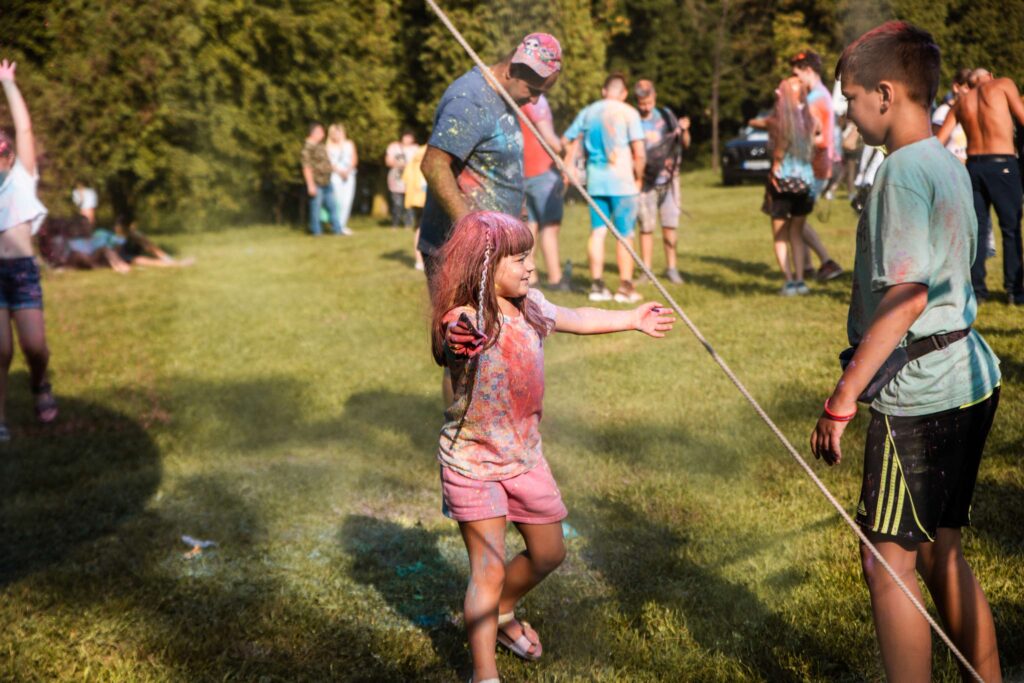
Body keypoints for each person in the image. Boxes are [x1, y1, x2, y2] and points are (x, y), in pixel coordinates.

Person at [814, 22, 1003, 683]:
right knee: (940, 549)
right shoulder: (949, 162)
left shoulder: (899, 171)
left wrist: (841, 403)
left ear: (886, 94)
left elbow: (907, 299)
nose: (846, 109)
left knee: (885, 558)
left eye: (851, 96)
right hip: (971, 377)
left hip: (920, 394)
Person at [431, 211, 674, 683]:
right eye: (517, 259)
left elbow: (578, 316)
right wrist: (458, 338)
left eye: (529, 256)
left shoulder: (532, 307)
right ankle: (484, 674)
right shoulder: (469, 316)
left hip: (525, 459)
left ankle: (502, 613)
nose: (529, 266)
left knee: (549, 554)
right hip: (473, 464)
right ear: (482, 266)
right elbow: (451, 337)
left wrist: (632, 318)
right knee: (487, 570)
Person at [419, 33, 562, 279]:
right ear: (512, 69)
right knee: (471, 320)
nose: (535, 100)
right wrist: (471, 233)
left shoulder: (506, 97)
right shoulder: (470, 99)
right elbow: (433, 165)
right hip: (462, 253)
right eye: (533, 89)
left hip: (499, 251)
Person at [0, 59, 56, 439]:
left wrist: (8, 83)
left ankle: (40, 383)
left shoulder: (23, 178)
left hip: (21, 272)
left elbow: (25, 126)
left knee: (35, 347)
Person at [938, 67, 1024, 304]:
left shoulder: (962, 101)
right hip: (1002, 162)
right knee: (1010, 228)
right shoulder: (1003, 84)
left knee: (977, 230)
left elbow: (939, 140)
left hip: (973, 166)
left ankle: (977, 290)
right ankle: (1014, 291)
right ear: (991, 77)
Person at [564, 73, 646, 302]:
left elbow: (567, 139)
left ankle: (597, 285)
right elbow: (639, 152)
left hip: (596, 181)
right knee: (625, 236)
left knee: (597, 232)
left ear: (603, 91)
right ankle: (625, 287)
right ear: (624, 93)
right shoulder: (629, 112)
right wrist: (639, 178)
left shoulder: (589, 112)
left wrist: (572, 159)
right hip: (623, 182)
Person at [790, 51, 844, 282]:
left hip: (814, 167)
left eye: (797, 75)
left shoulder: (815, 100)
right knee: (797, 218)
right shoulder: (820, 95)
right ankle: (808, 266)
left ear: (808, 71)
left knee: (795, 219)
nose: (795, 80)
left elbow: (818, 137)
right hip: (818, 166)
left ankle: (826, 262)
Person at [759, 76, 816, 295]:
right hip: (805, 181)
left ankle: (789, 281)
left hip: (783, 181)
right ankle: (801, 280)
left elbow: (780, 147)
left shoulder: (784, 120)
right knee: (797, 233)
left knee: (780, 235)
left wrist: (775, 164)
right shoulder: (809, 118)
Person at [634, 79, 690, 285]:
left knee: (669, 225)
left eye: (648, 102)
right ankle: (646, 271)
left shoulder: (666, 116)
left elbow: (685, 144)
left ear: (654, 97)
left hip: (669, 179)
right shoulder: (633, 118)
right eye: (641, 103)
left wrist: (684, 130)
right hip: (645, 182)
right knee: (646, 227)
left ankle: (672, 268)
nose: (645, 107)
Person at [520, 93, 569, 290]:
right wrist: (565, 154)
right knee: (550, 227)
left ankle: (530, 279)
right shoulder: (537, 101)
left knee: (530, 226)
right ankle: (556, 279)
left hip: (522, 172)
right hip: (543, 171)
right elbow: (549, 138)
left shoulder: (515, 101)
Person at [301, 122, 346, 236]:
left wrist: (339, 172)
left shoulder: (320, 146)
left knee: (333, 207)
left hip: (327, 182)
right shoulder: (307, 148)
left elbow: (327, 164)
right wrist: (310, 185)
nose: (323, 134)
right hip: (317, 183)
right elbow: (307, 167)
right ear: (314, 133)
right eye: (321, 132)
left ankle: (337, 230)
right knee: (315, 208)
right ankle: (316, 232)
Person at [327, 122, 358, 235]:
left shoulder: (349, 144)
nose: (336, 135)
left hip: (349, 175)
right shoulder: (328, 146)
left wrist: (348, 170)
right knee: (337, 201)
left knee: (347, 201)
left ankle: (342, 225)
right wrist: (339, 172)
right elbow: (329, 163)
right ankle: (336, 225)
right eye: (334, 133)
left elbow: (354, 158)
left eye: (338, 132)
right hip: (335, 176)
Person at [401, 142, 428, 270]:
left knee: (419, 227)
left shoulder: (417, 153)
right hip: (426, 195)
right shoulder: (435, 149)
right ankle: (422, 260)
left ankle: (419, 261)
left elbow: (406, 177)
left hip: (416, 196)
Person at [385, 132, 418, 228]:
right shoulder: (393, 147)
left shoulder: (415, 149)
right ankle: (395, 223)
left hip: (411, 178)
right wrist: (399, 165)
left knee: (410, 203)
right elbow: (388, 161)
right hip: (396, 178)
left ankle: (409, 223)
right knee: (397, 202)